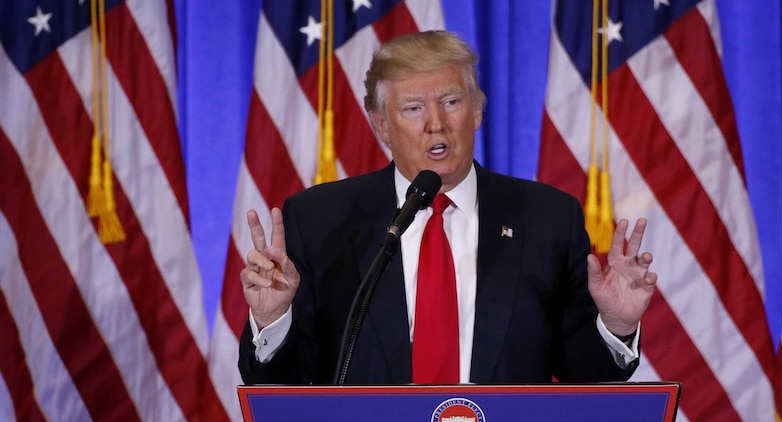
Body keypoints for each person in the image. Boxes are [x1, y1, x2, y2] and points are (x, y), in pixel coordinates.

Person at [238, 30, 656, 386]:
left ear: (477, 110)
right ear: (381, 124)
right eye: (413, 108)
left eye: (452, 102)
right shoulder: (320, 220)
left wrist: (617, 327)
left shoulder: (547, 218)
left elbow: (585, 378)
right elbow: (284, 386)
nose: (435, 123)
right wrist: (273, 320)